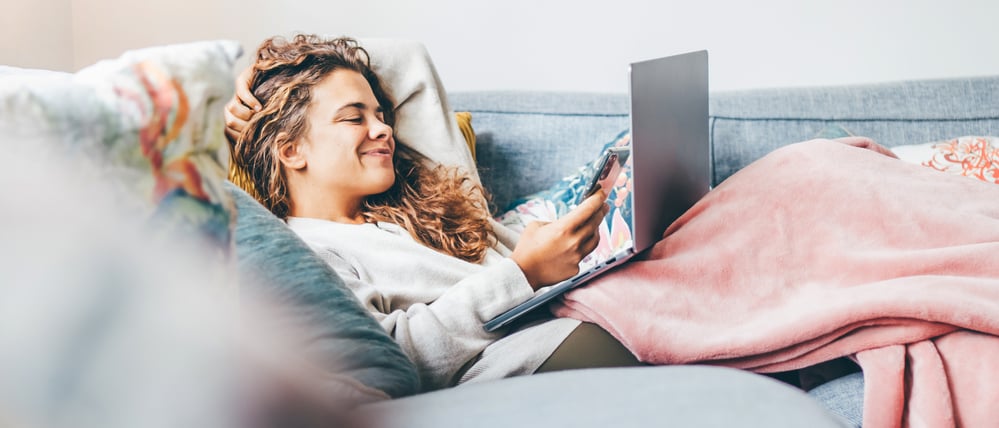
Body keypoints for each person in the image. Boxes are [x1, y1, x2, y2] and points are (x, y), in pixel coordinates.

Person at [224, 34, 644, 391]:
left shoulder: (422, 201)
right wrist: (522, 272)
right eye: (354, 117)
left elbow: (408, 59)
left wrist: (267, 71)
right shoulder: (308, 253)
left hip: (592, 301)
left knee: (704, 218)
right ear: (291, 149)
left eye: (381, 115)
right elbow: (391, 354)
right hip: (538, 351)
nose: (384, 129)